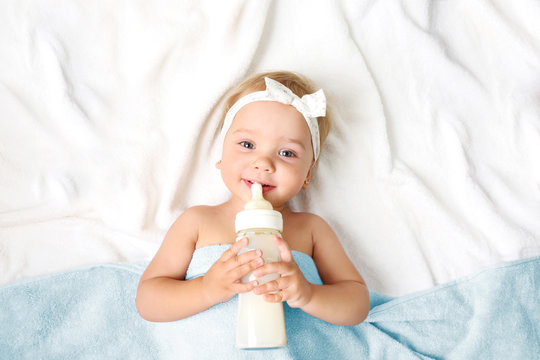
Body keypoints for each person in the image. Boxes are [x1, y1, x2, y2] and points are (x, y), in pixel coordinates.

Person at [136, 71, 370, 326]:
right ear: (222, 156)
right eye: (247, 145)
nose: (263, 163)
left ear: (307, 174)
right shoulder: (198, 221)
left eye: (287, 152)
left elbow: (357, 304)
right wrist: (205, 289)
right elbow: (148, 300)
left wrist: (309, 294)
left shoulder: (311, 229)